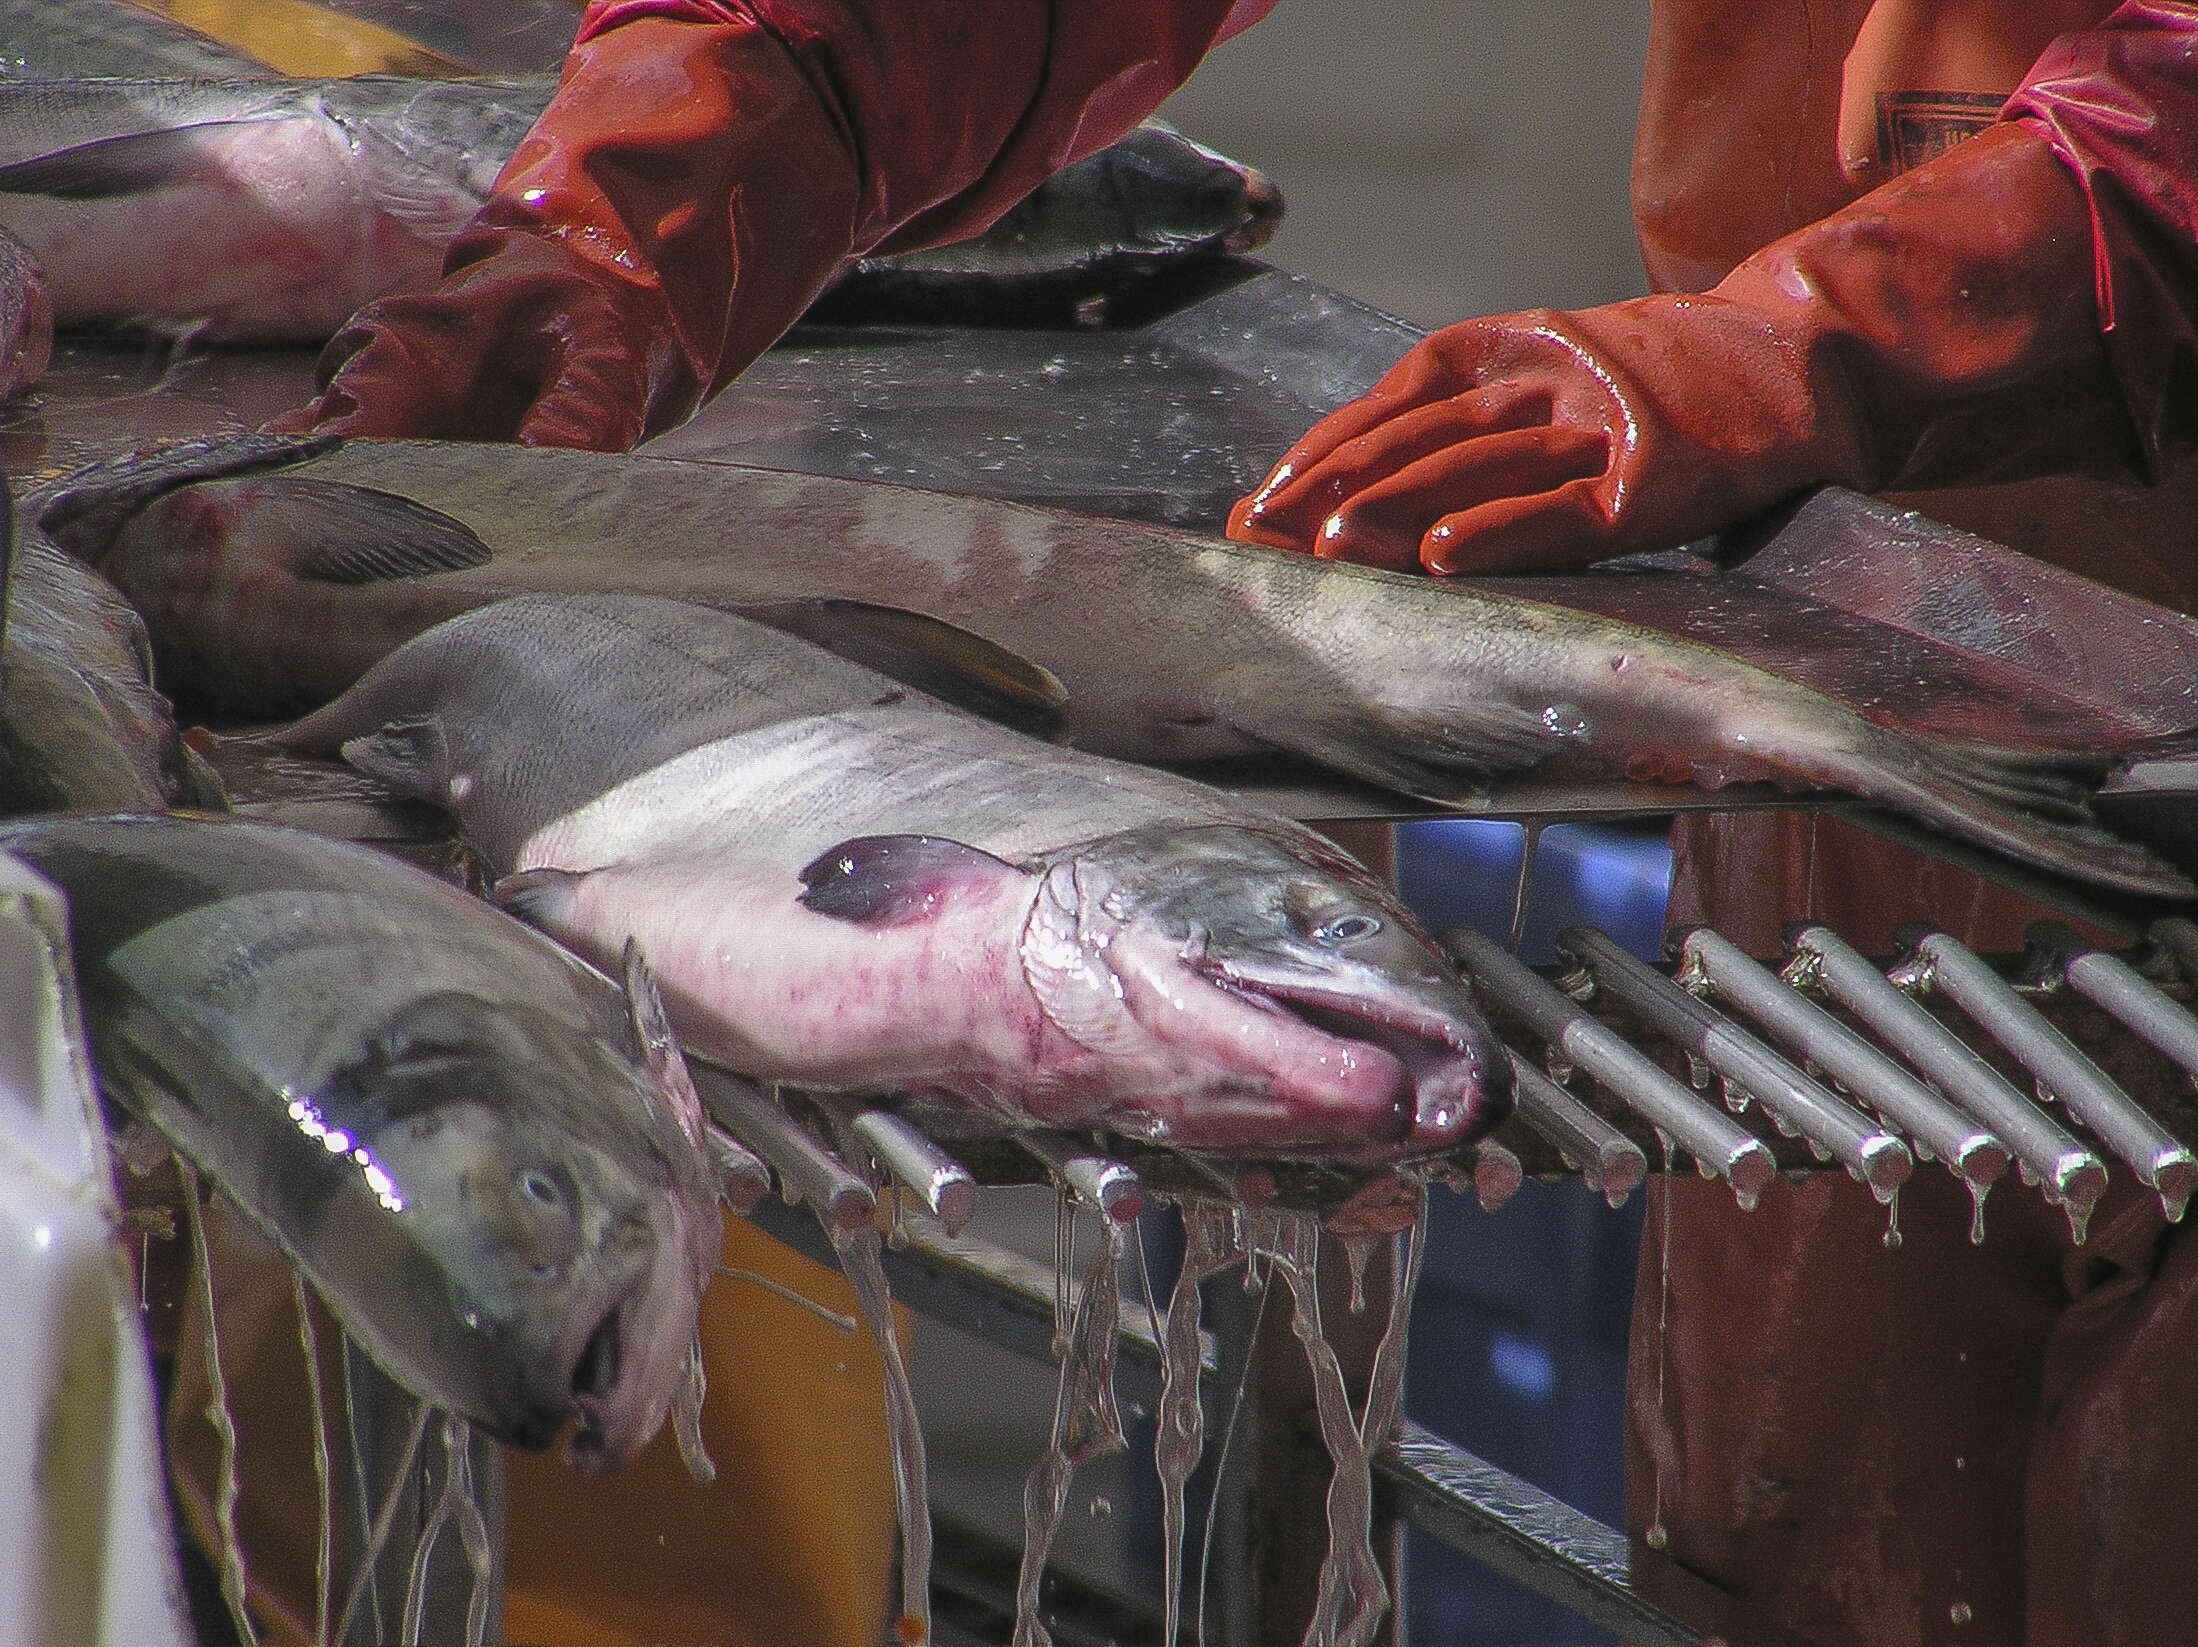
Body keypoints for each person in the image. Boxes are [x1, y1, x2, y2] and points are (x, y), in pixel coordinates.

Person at [277, 5, 2198, 1644]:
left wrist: (1863, 324)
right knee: (1816, 1559)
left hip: (1966, 541)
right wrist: (723, 123)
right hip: (1863, 672)